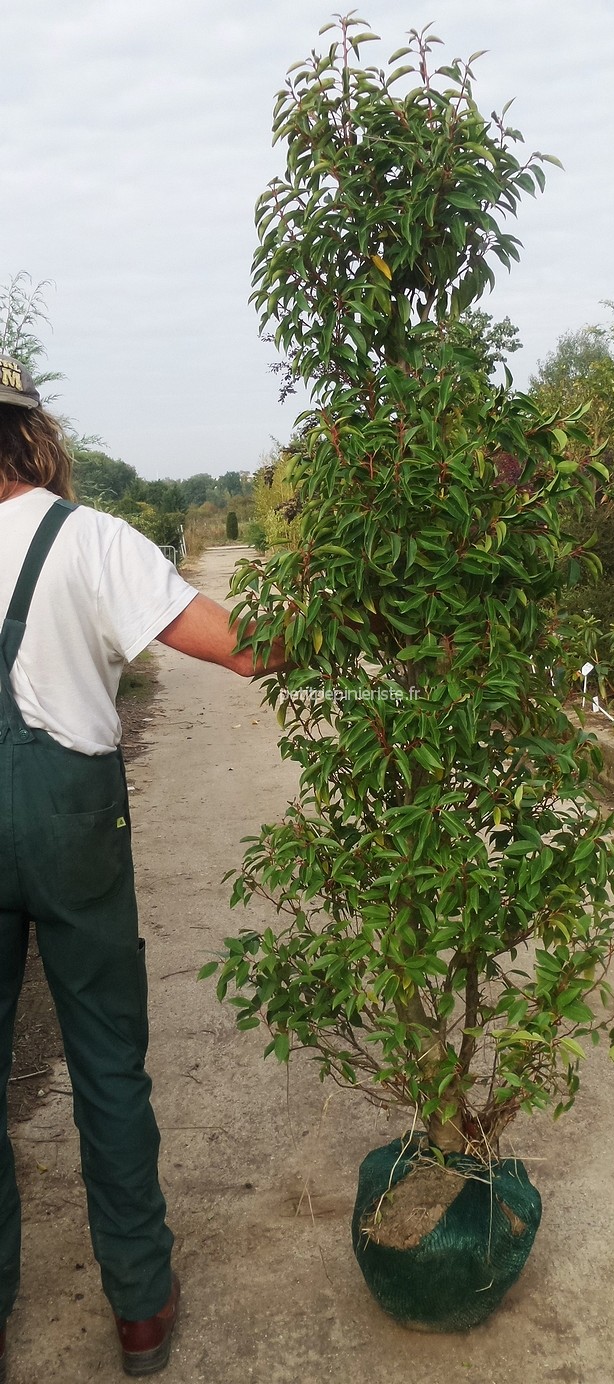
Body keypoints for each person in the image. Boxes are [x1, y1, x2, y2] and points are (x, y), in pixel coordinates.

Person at [0, 355, 287, 1380]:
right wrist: (361, 614)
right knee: (107, 1065)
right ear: (32, 432)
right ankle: (137, 1305)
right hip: (70, 814)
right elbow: (244, 649)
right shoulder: (90, 541)